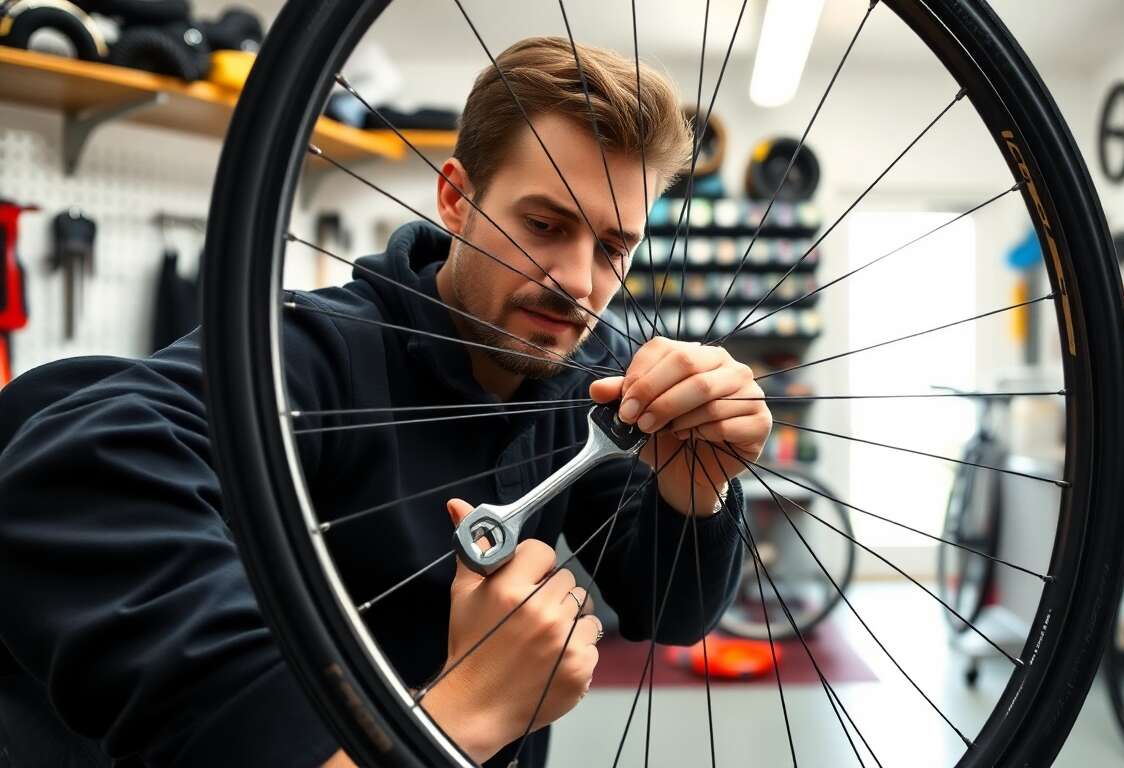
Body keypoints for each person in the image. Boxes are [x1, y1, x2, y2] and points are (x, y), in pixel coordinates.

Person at [0, 36, 771, 767]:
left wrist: (695, 486)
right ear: (455, 198)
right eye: (544, 225)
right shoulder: (317, 352)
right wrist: (462, 715)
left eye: (612, 248)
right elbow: (66, 470)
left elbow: (669, 611)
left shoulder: (586, 379)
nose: (577, 281)